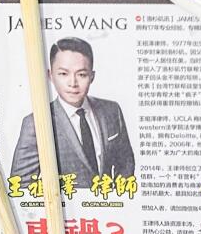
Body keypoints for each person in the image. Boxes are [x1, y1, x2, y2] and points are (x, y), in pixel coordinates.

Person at [10, 37, 135, 191]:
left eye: (81, 74)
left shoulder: (111, 110)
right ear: (50, 76)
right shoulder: (37, 122)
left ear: (92, 76)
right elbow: (20, 184)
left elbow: (126, 163)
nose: (73, 83)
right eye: (63, 74)